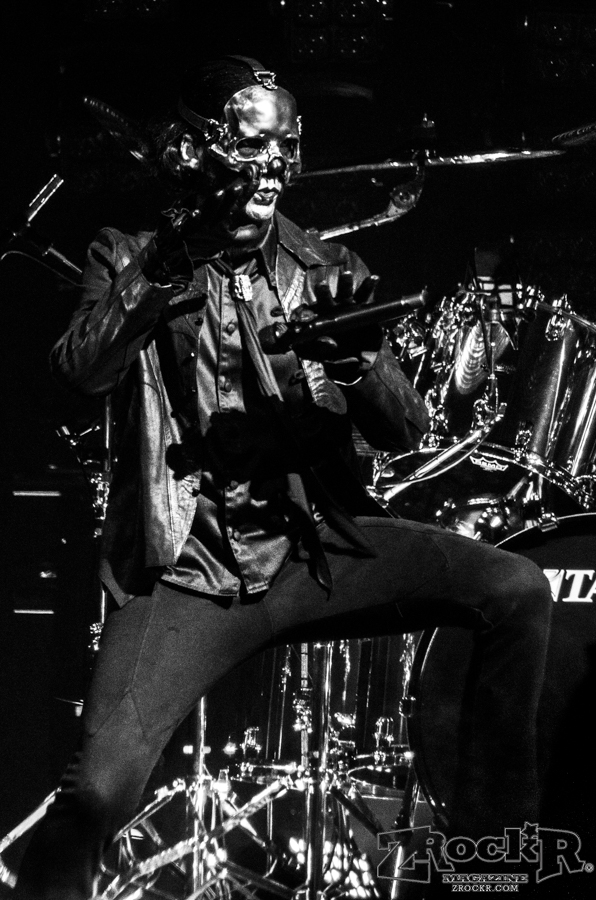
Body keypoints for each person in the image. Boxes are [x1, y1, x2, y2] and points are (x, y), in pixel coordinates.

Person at [14, 55, 552, 900]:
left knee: (516, 588)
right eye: (249, 146)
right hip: (188, 573)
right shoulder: (127, 256)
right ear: (195, 152)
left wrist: (361, 361)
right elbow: (79, 371)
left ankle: (493, 867)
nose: (270, 168)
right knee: (90, 803)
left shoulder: (324, 266)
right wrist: (166, 263)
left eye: (284, 148)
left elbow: (407, 429)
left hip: (312, 557)